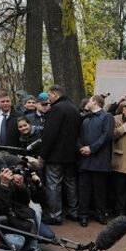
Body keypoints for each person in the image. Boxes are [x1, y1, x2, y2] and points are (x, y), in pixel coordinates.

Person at [39, 85, 81, 225]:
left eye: (49, 94)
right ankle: (74, 212)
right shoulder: (74, 108)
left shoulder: (56, 109)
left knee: (53, 184)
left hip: (56, 155)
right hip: (72, 154)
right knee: (71, 183)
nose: (48, 98)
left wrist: (43, 154)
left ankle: (54, 215)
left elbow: (50, 134)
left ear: (55, 94)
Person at [77, 95, 114, 227]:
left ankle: (100, 214)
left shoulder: (107, 116)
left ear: (96, 102)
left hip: (100, 160)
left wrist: (91, 148)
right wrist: (81, 147)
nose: (87, 102)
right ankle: (83, 216)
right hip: (85, 159)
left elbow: (107, 135)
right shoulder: (85, 117)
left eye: (90, 100)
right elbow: (78, 135)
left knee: (100, 191)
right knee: (84, 190)